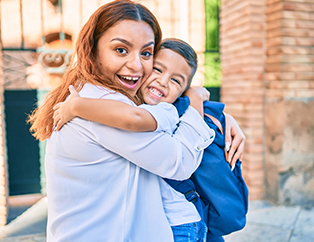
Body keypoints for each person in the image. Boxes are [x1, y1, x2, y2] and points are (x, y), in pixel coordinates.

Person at [28, 1, 216, 242]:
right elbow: (179, 161)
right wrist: (195, 100)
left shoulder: (92, 97)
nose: (136, 65)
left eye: (146, 53)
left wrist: (221, 117)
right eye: (121, 50)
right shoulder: (102, 106)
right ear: (92, 50)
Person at [53, 38, 246, 242]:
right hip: (178, 221)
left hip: (177, 225)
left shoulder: (164, 111)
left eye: (176, 81)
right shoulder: (157, 108)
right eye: (158, 70)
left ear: (182, 92)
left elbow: (133, 119)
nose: (163, 81)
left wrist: (76, 106)